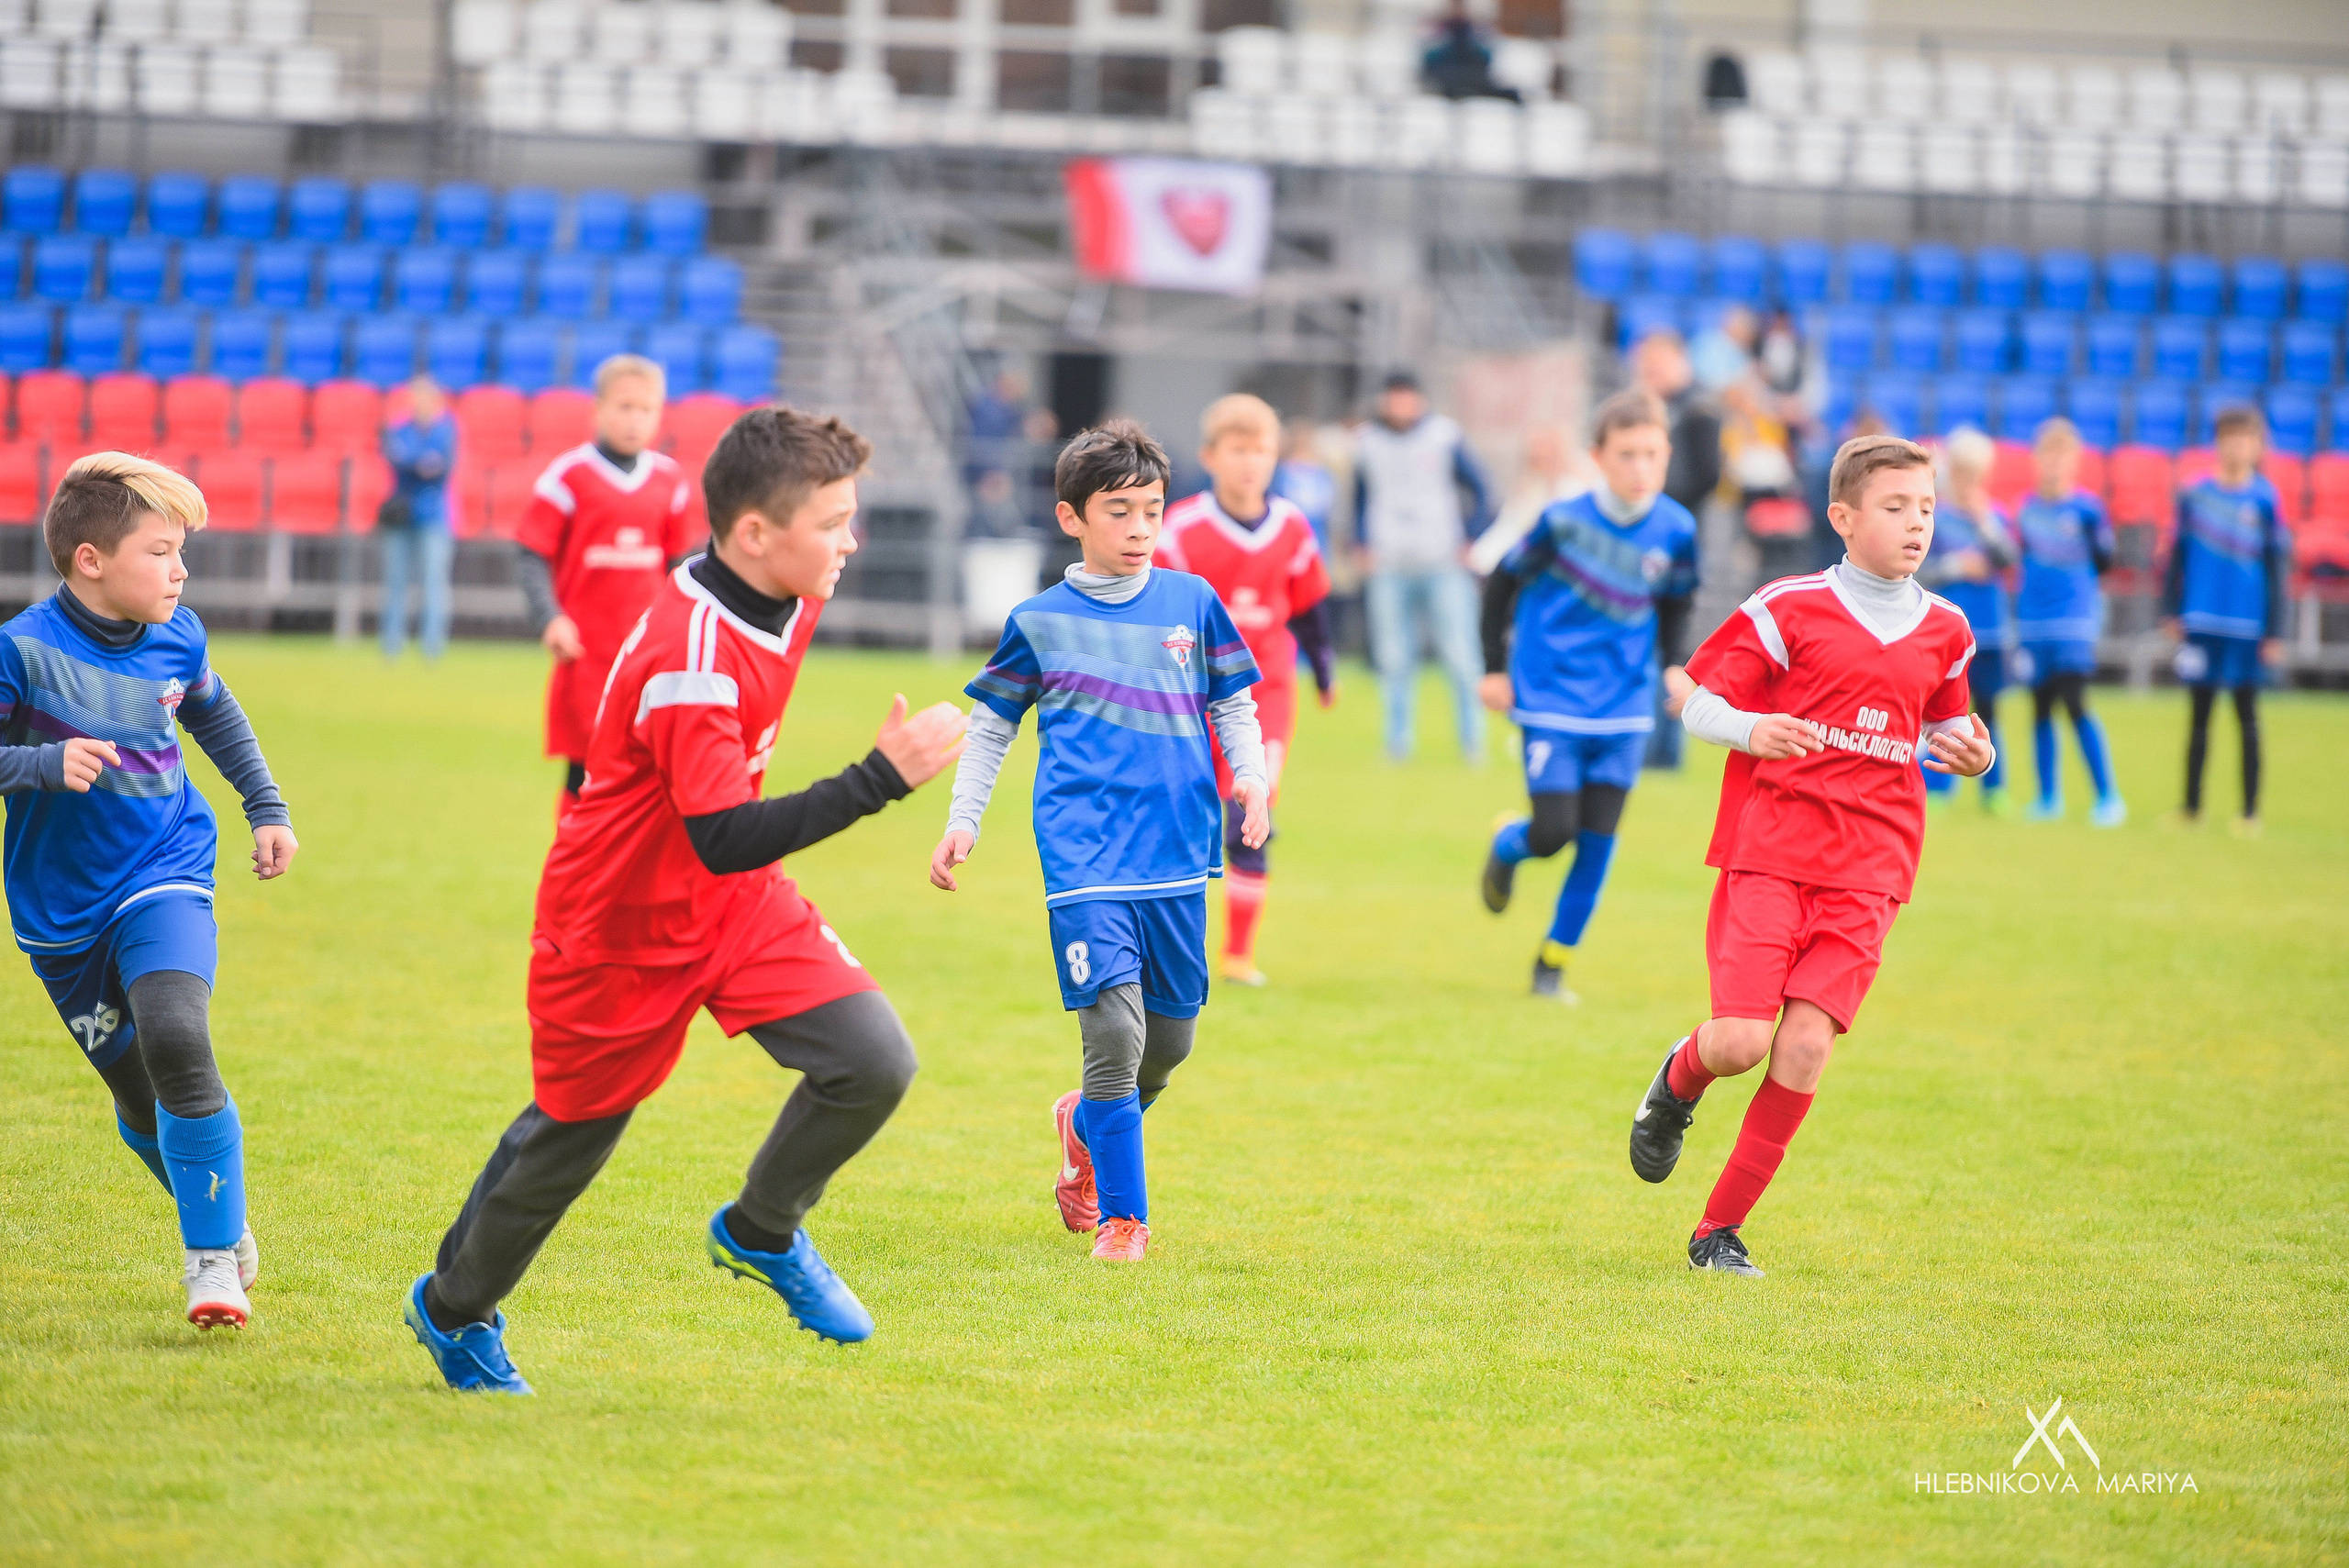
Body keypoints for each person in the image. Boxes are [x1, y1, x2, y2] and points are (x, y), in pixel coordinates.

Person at [405, 409, 967, 1393]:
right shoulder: (691, 662)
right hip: (617, 920)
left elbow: (726, 853)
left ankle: (761, 1228)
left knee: (874, 1060)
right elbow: (723, 832)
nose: (851, 540)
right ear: (755, 533)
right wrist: (881, 777)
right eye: (833, 521)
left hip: (732, 902)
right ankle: (453, 1309)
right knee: (570, 1138)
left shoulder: (782, 582)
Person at [1626, 434, 1996, 1277]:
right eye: (1896, 507)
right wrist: (1753, 728)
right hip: (1773, 851)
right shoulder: (1788, 606)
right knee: (1741, 1042)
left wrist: (1978, 754)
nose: (1916, 525)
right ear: (1843, 517)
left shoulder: (1948, 628)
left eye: (1927, 509)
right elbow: (1696, 695)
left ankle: (1717, 1233)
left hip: (1872, 867)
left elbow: (1946, 726)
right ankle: (1677, 1081)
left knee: (1803, 1049)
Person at [930, 420, 1266, 1265]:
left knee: (1170, 1043)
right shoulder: (1037, 621)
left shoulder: (1192, 602)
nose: (1142, 528)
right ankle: (1123, 1218)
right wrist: (963, 819)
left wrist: (1252, 779)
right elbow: (991, 726)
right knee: (1113, 1038)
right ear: (1072, 517)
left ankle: (1083, 1125)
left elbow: (1232, 703)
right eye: (1120, 512)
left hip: (1178, 853)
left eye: (1152, 509)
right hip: (1083, 858)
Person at [2, 453, 297, 1330]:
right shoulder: (22, 651)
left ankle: (209, 1265)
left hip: (166, 865)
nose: (181, 571)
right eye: (161, 552)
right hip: (60, 911)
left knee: (176, 1034)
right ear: (90, 560)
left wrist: (266, 805)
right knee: (138, 1097)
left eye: (182, 553)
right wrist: (39, 764)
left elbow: (211, 709)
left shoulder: (182, 635)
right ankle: (225, 1215)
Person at [1476, 391, 1697, 1002]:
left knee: (1598, 842)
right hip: (1551, 697)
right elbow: (1501, 581)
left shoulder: (1677, 528)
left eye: (1651, 454)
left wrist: (1674, 665)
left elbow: (1677, 601)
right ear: (1598, 456)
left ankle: (1552, 964)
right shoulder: (1562, 521)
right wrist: (1495, 667)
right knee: (1554, 832)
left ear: (1666, 454)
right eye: (1626, 454)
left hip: (1626, 707)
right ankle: (1509, 844)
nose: (1639, 468)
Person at [1156, 395, 1336, 986]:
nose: (1250, 463)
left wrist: (1326, 669)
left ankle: (1237, 956)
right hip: (1192, 695)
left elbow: (1309, 606)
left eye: (1260, 450)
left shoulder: (1291, 527)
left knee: (1250, 816)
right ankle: (1173, 946)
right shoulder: (1181, 529)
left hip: (1268, 696)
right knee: (1185, 822)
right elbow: (1154, 608)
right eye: (1237, 450)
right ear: (1211, 456)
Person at [515, 354, 699, 803]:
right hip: (588, 654)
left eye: (646, 409)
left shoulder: (670, 481)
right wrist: (549, 618)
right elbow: (530, 553)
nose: (635, 419)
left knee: (651, 776)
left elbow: (682, 570)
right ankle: (574, 869)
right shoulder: (569, 477)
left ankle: (634, 871)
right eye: (624, 407)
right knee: (585, 775)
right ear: (597, 410)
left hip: (649, 657)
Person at [1353, 371, 1494, 763]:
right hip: (1390, 561)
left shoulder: (1445, 436)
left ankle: (1473, 743)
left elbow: (1482, 488)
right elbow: (1361, 498)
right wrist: (1360, 542)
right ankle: (1397, 743)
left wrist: (1472, 536)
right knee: (1394, 658)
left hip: (1442, 560)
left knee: (1461, 655)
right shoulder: (1368, 441)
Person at [2162, 405, 2288, 835]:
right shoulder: (2195, 496)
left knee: (2247, 718)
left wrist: (2276, 629)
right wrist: (2170, 609)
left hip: (2247, 628)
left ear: (2257, 446)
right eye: (2228, 438)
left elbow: (2276, 568)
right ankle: (2191, 808)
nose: (2236, 447)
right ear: (2217, 444)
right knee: (2199, 718)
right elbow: (2175, 558)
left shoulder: (2266, 499)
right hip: (2201, 622)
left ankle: (2250, 812)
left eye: (2244, 439)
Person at [2013, 417, 2124, 826]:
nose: (2054, 463)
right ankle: (2048, 798)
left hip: (2074, 622)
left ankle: (2108, 796)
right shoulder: (2025, 510)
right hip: (2034, 623)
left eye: (2063, 455)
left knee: (2075, 703)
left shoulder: (2088, 510)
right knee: (2039, 708)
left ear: (2075, 461)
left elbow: (2105, 562)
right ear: (2037, 459)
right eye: (2048, 454)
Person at [1631, 329, 1720, 771]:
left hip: (1677, 542)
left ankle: (1666, 749)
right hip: (1653, 541)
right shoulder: (1658, 409)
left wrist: (1663, 499)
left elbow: (1707, 476)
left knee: (1673, 642)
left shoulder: (1699, 408)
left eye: (1654, 366)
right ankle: (1652, 747)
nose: (1647, 376)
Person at [1917, 428, 2016, 812]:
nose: (1969, 481)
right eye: (1963, 472)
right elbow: (1922, 570)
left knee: (1989, 712)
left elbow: (2008, 561)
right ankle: (1940, 788)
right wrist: (1959, 566)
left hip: (1990, 630)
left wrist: (1985, 524)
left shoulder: (1994, 517)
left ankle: (1995, 790)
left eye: (1976, 473)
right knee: (1944, 712)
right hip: (1949, 634)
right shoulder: (1934, 517)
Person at [378, 375, 457, 662]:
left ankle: (432, 646)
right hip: (402, 514)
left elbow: (439, 465)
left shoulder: (445, 429)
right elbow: (400, 457)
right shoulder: (400, 429)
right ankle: (391, 645)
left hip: (433, 516)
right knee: (395, 582)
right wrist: (419, 462)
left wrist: (413, 461)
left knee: (433, 583)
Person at [1271, 420, 1337, 555]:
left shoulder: (1323, 474)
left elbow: (1330, 510)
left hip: (1317, 536)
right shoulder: (1280, 473)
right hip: (1287, 538)